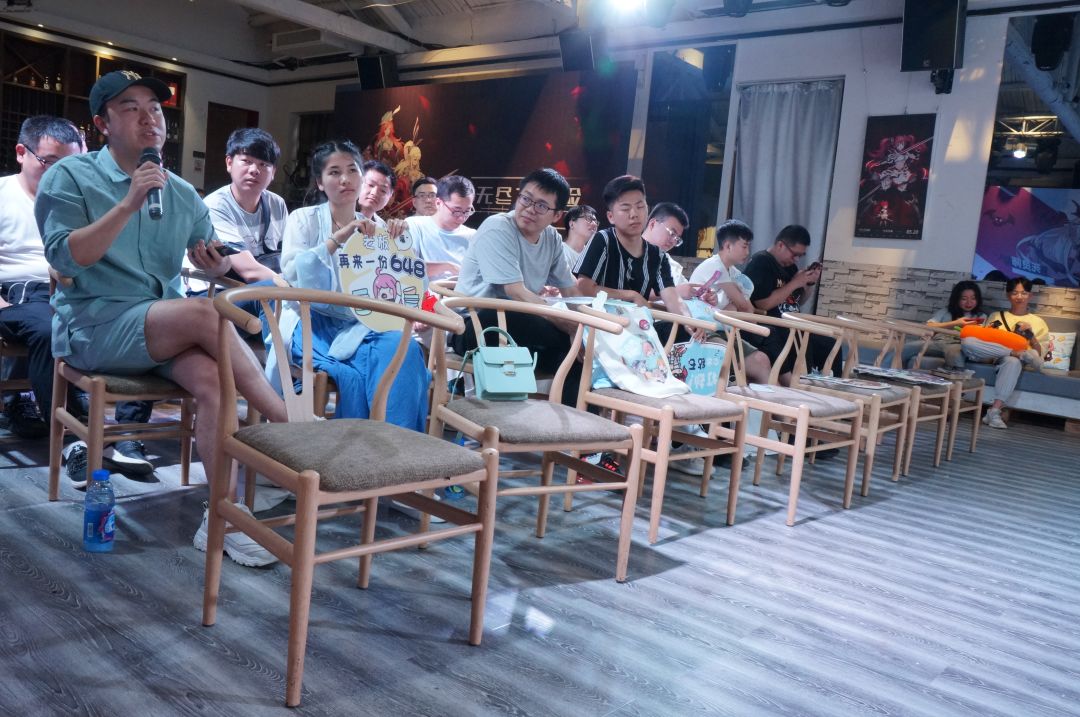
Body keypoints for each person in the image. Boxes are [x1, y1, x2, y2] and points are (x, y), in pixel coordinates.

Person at [36, 70, 288, 567]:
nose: (148, 118)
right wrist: (128, 201)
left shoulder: (181, 193)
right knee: (205, 313)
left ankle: (224, 516)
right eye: (130, 108)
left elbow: (211, 257)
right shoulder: (70, 177)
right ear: (102, 124)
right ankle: (289, 426)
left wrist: (212, 265)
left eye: (154, 108)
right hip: (94, 326)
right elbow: (65, 258)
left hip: (160, 331)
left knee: (214, 382)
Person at [278, 142, 429, 429]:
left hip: (361, 323)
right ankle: (360, 442)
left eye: (352, 170)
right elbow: (294, 274)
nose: (345, 179)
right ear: (320, 182)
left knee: (404, 348)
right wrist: (337, 239)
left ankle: (397, 443)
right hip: (311, 322)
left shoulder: (377, 230)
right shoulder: (304, 219)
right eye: (334, 172)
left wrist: (401, 246)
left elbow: (407, 283)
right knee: (363, 370)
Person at [454, 168, 583, 405]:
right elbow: (514, 292)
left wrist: (584, 326)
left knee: (578, 355)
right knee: (506, 316)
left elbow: (570, 290)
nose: (530, 209)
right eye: (526, 199)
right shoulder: (498, 227)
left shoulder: (552, 238)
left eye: (541, 206)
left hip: (520, 329)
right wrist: (568, 325)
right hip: (475, 326)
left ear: (557, 215)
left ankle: (574, 424)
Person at [0, 116, 83, 438]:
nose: (60, 173)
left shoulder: (77, 202)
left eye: (71, 165)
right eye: (50, 162)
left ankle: (73, 394)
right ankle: (70, 438)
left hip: (68, 291)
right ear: (22, 152)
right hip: (16, 295)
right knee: (50, 327)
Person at [183, 127, 286, 294]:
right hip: (216, 290)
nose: (254, 170)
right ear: (229, 163)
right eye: (246, 161)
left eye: (264, 164)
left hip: (261, 287)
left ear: (273, 172)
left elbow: (287, 257)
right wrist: (294, 290)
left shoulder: (277, 203)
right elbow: (249, 272)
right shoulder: (216, 206)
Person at [574, 176, 689, 321]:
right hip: (601, 323)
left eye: (640, 207)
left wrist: (689, 321)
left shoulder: (657, 256)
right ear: (611, 216)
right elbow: (583, 287)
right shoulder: (603, 240)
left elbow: (672, 297)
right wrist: (631, 295)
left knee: (684, 329)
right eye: (625, 208)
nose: (634, 214)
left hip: (639, 326)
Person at [743, 224, 834, 383]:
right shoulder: (761, 262)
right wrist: (795, 283)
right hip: (774, 324)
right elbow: (763, 304)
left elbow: (798, 301)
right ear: (780, 245)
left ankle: (828, 383)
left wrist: (808, 283)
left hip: (791, 323)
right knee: (798, 335)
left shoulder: (790, 267)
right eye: (794, 254)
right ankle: (801, 380)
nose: (796, 259)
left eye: (801, 256)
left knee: (829, 343)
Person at [689, 219, 771, 384]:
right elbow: (743, 306)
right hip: (702, 329)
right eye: (744, 246)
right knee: (729, 354)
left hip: (724, 329)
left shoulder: (733, 272)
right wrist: (737, 306)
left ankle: (768, 401)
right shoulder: (715, 266)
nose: (747, 252)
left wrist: (738, 308)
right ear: (727, 246)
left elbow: (747, 309)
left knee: (762, 360)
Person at [960, 277, 1048, 429]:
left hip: (1012, 360)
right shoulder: (996, 316)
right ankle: (1017, 353)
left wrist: (1030, 335)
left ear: (1030, 296)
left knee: (1012, 361)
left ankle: (994, 412)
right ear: (1008, 295)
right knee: (967, 342)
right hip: (991, 355)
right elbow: (983, 340)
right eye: (1014, 293)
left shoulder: (1038, 322)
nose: (1019, 297)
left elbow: (1038, 356)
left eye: (1024, 293)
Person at [901, 280, 987, 368]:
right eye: (964, 299)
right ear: (956, 299)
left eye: (973, 298)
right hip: (936, 343)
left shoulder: (981, 316)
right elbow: (928, 326)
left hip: (957, 345)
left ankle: (955, 376)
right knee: (906, 348)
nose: (969, 302)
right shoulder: (946, 311)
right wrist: (955, 323)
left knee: (956, 355)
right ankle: (892, 372)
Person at [406, 175, 476, 280]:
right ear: (438, 203)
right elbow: (405, 268)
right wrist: (447, 267)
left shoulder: (473, 236)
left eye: (467, 211)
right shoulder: (414, 225)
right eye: (456, 211)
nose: (462, 218)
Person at [560, 204, 598, 271]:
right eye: (589, 219)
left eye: (595, 221)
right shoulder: (558, 251)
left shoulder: (594, 256)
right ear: (572, 224)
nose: (594, 224)